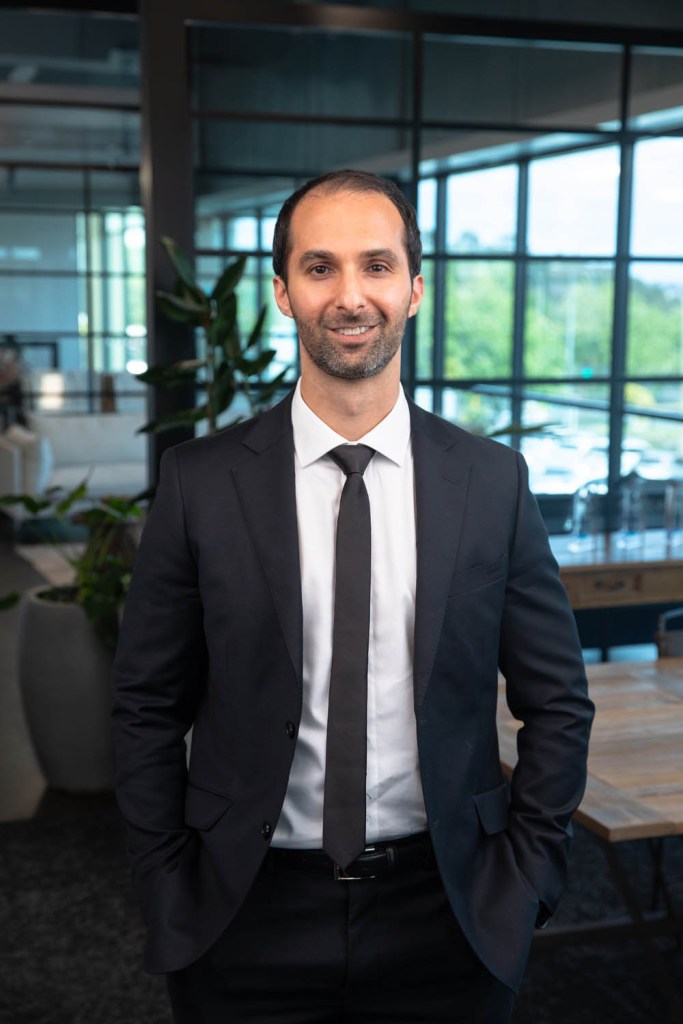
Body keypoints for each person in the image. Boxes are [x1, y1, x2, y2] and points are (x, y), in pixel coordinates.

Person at [112, 170, 594, 1023]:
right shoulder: (199, 483)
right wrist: (163, 878)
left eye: (375, 265)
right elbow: (147, 704)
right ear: (283, 294)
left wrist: (526, 874)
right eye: (319, 267)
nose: (349, 295)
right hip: (245, 912)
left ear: (413, 288)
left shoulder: (490, 481)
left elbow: (556, 699)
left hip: (448, 908)